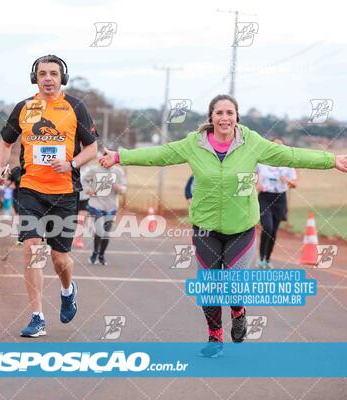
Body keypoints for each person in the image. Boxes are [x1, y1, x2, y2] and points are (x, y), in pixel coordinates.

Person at [99, 94, 347, 357]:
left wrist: (331, 160)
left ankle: (238, 311)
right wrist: (119, 156)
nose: (224, 118)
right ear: (211, 117)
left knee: (232, 283)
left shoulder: (252, 143)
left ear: (237, 117)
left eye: (230, 113)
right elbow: (160, 154)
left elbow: (291, 155)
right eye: (219, 113)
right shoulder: (193, 144)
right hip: (205, 227)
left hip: (241, 227)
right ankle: (214, 337)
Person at [0, 55, 98, 337]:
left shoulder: (75, 107)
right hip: (29, 190)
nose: (48, 78)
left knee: (60, 259)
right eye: (43, 74)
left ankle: (67, 290)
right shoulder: (24, 108)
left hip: (64, 193)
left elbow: (92, 149)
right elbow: (5, 142)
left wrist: (72, 163)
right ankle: (37, 316)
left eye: (54, 73)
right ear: (35, 78)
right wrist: (1, 167)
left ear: (62, 78)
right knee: (32, 250)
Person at [256, 138, 298, 269]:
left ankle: (267, 259)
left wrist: (287, 180)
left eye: (280, 146)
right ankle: (261, 257)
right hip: (265, 197)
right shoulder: (262, 163)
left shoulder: (287, 164)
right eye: (274, 146)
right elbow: (253, 176)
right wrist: (257, 184)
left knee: (273, 231)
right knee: (267, 227)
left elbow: (294, 184)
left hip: (280, 199)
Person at [82, 157, 127, 265]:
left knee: (106, 233)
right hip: (96, 204)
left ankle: (101, 255)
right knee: (99, 230)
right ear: (101, 159)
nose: (108, 161)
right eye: (106, 158)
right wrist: (88, 189)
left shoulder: (118, 172)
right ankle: (94, 253)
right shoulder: (94, 170)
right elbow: (83, 180)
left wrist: (119, 188)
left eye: (110, 159)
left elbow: (124, 188)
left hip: (111, 207)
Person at [72, 165, 90, 249]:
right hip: (73, 197)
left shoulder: (89, 170)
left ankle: (79, 240)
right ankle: (72, 237)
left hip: (84, 198)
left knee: (81, 220)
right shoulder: (72, 168)